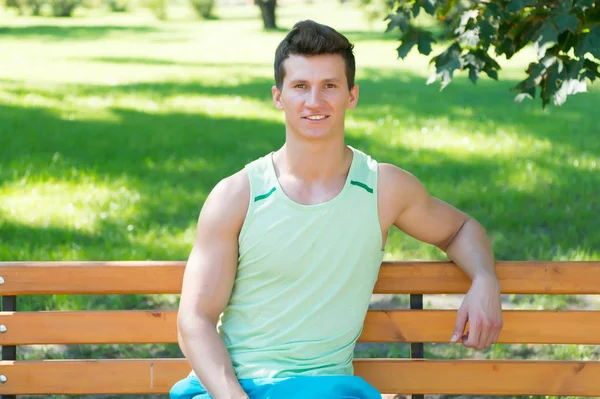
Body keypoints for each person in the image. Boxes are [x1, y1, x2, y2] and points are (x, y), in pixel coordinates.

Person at [170, 20, 503, 399]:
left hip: (323, 389)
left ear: (351, 95)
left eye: (329, 85)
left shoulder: (383, 189)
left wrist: (484, 279)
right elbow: (194, 321)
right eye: (300, 87)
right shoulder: (237, 196)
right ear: (278, 96)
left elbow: (459, 229)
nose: (315, 101)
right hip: (230, 389)